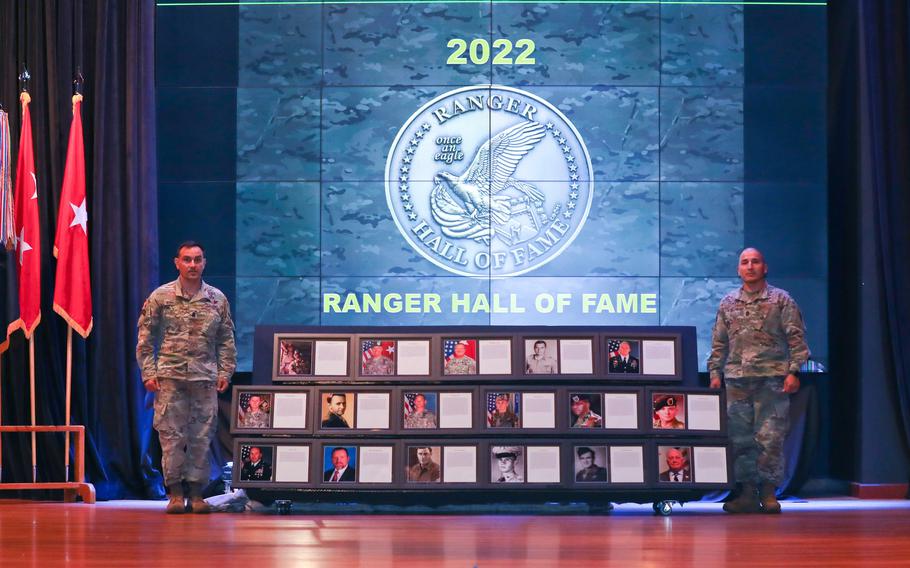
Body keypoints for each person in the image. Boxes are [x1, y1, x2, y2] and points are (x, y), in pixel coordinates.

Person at [137, 241, 236, 515]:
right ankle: (175, 493)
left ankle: (196, 493)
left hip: (204, 379)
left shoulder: (217, 299)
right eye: (187, 260)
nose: (192, 265)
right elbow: (145, 339)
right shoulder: (161, 297)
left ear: (204, 262)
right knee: (171, 437)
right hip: (170, 379)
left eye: (197, 260)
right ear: (176, 262)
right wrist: (148, 372)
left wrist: (225, 371)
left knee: (201, 438)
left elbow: (226, 339)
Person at [708, 247, 809, 514]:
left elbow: (796, 338)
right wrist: (715, 374)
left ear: (765, 267)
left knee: (770, 438)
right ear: (739, 269)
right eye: (744, 262)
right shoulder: (728, 302)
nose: (750, 266)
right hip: (737, 381)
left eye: (755, 262)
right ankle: (747, 494)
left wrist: (794, 371)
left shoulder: (781, 300)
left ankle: (768, 493)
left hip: (771, 380)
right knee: (740, 439)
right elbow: (719, 341)